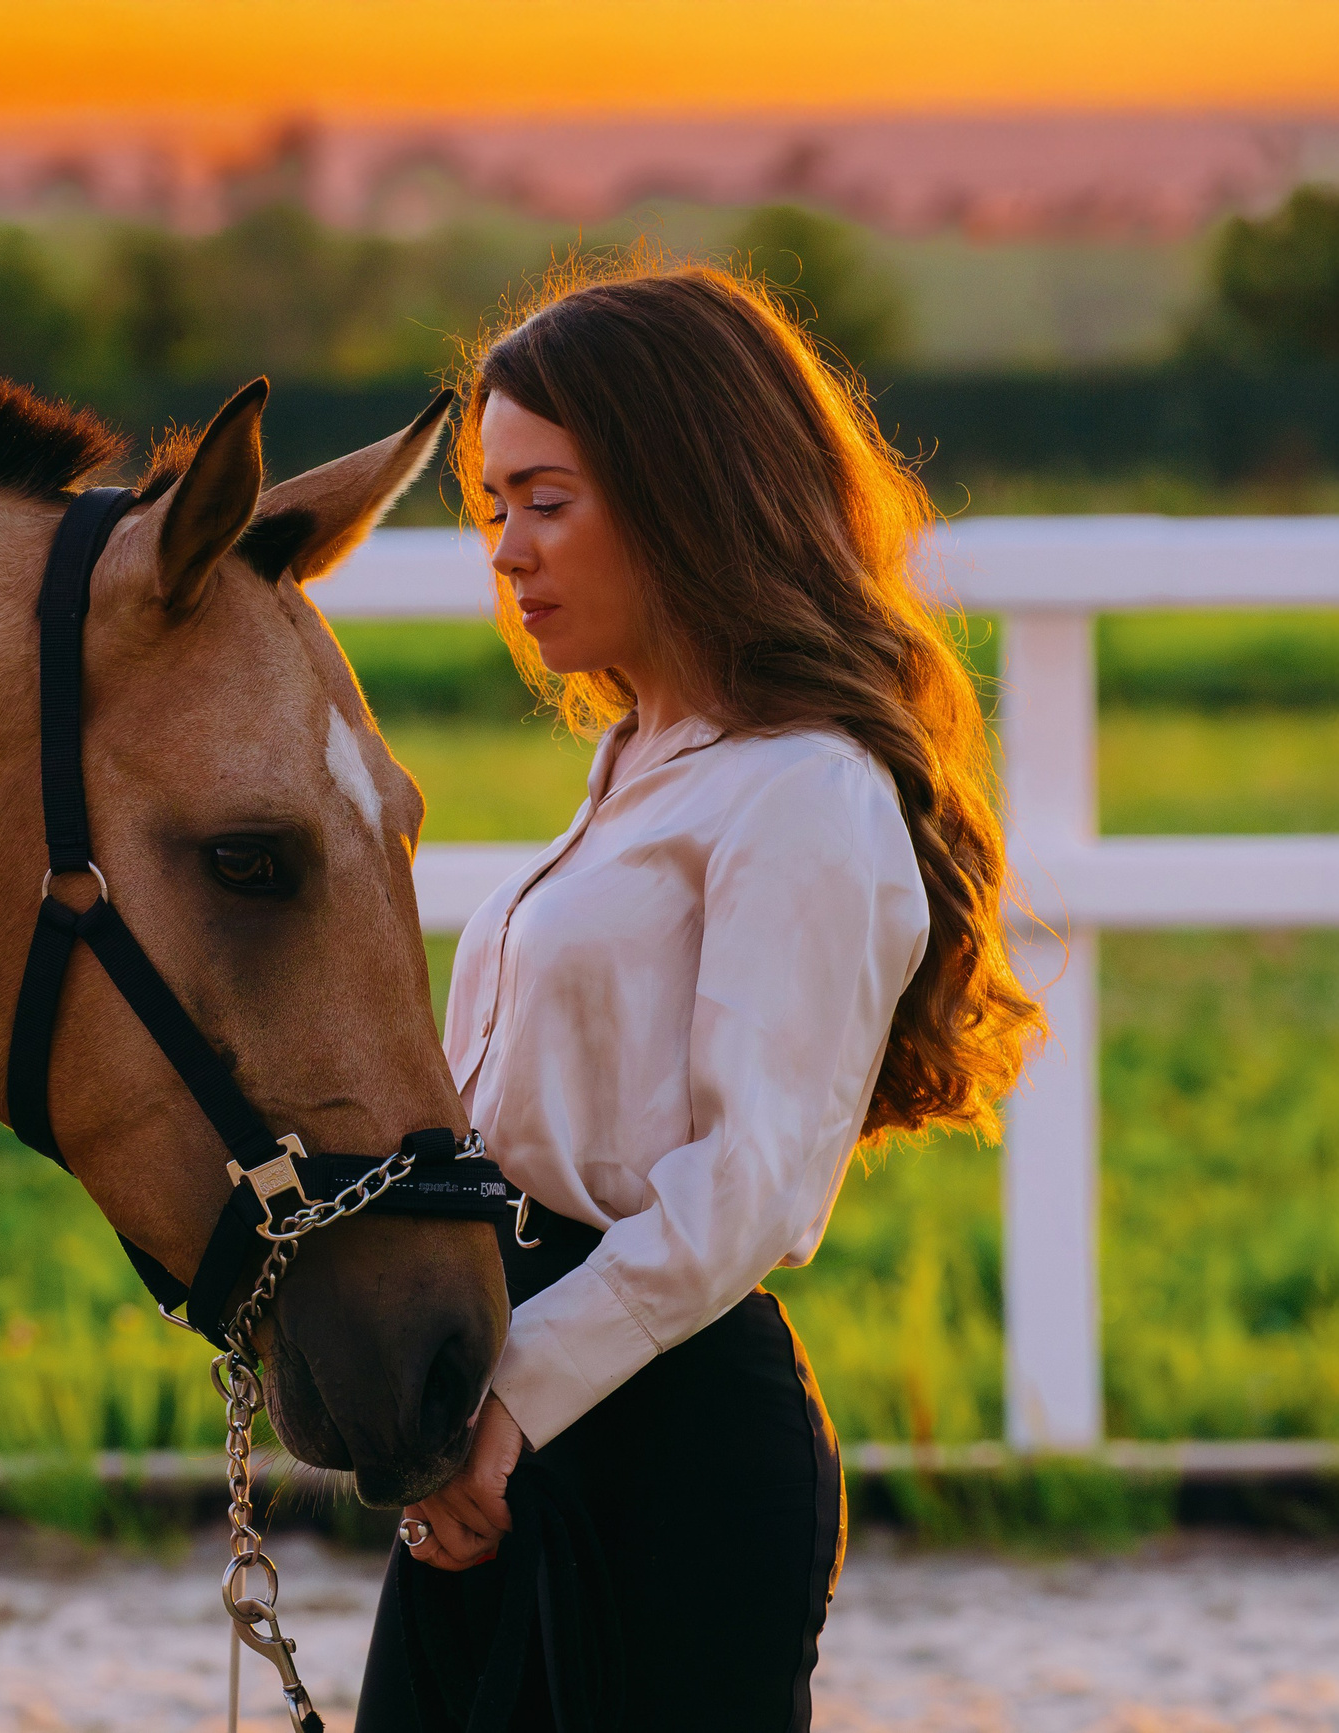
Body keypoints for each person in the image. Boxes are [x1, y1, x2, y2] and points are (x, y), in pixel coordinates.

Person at [357, 263, 1044, 1732]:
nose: (511, 552)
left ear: (685, 486)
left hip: (660, 1436)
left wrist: (514, 1399)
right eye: (493, 510)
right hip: (507, 1410)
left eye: (549, 500)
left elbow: (747, 1191)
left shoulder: (805, 791)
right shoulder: (633, 770)